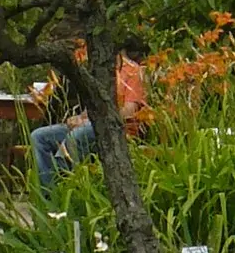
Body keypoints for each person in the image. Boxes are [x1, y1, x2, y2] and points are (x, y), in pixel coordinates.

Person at [31, 51, 148, 194]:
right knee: (39, 136)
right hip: (92, 124)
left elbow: (130, 111)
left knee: (76, 136)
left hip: (119, 129)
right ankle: (50, 195)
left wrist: (95, 118)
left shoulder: (132, 71)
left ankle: (70, 189)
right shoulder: (98, 71)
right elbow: (93, 107)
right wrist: (79, 118)